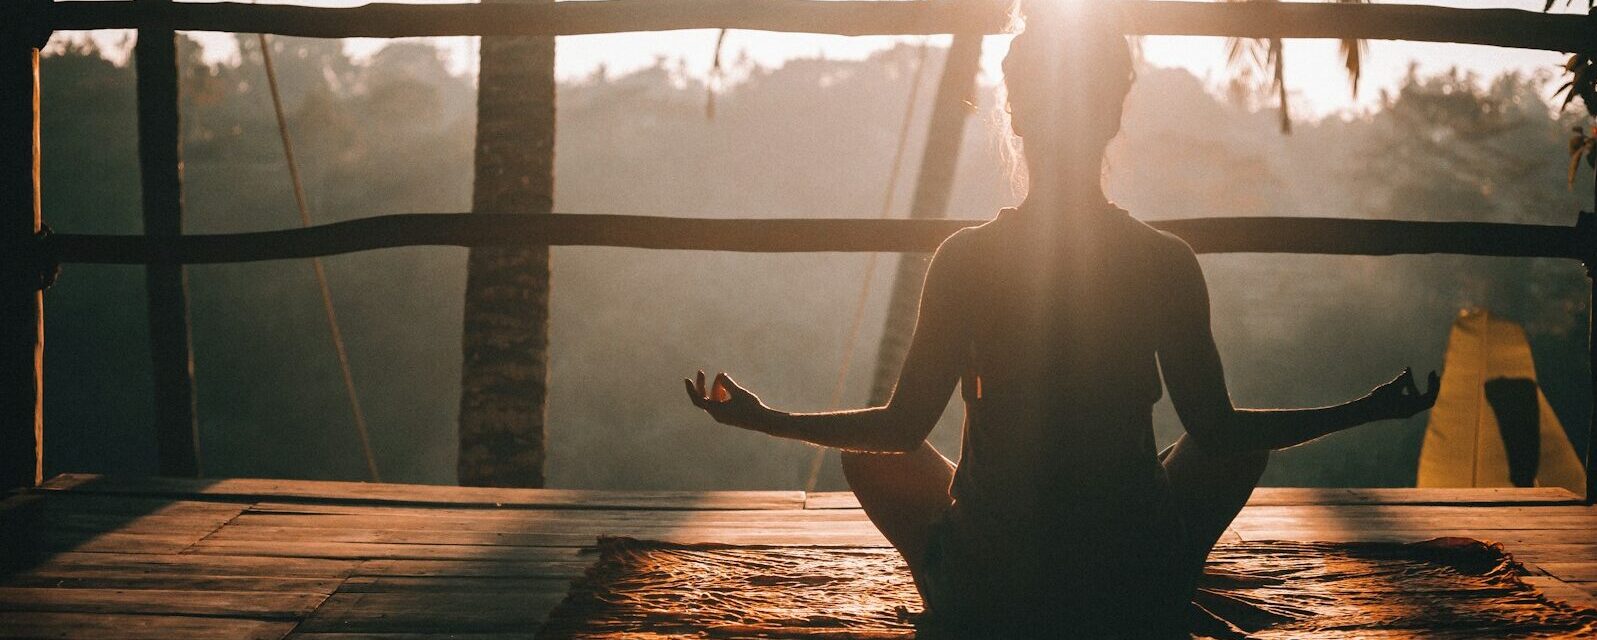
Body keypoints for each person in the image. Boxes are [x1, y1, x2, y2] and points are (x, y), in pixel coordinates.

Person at [684, 2, 1438, 636]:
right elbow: (1218, 431)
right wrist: (1366, 409)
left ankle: (952, 587)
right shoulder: (1163, 260)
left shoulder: (965, 259)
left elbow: (901, 428)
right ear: (1114, 113)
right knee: (1233, 448)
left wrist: (764, 417)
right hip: (1130, 586)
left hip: (994, 590)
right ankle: (1162, 577)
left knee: (869, 458)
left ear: (1015, 112)